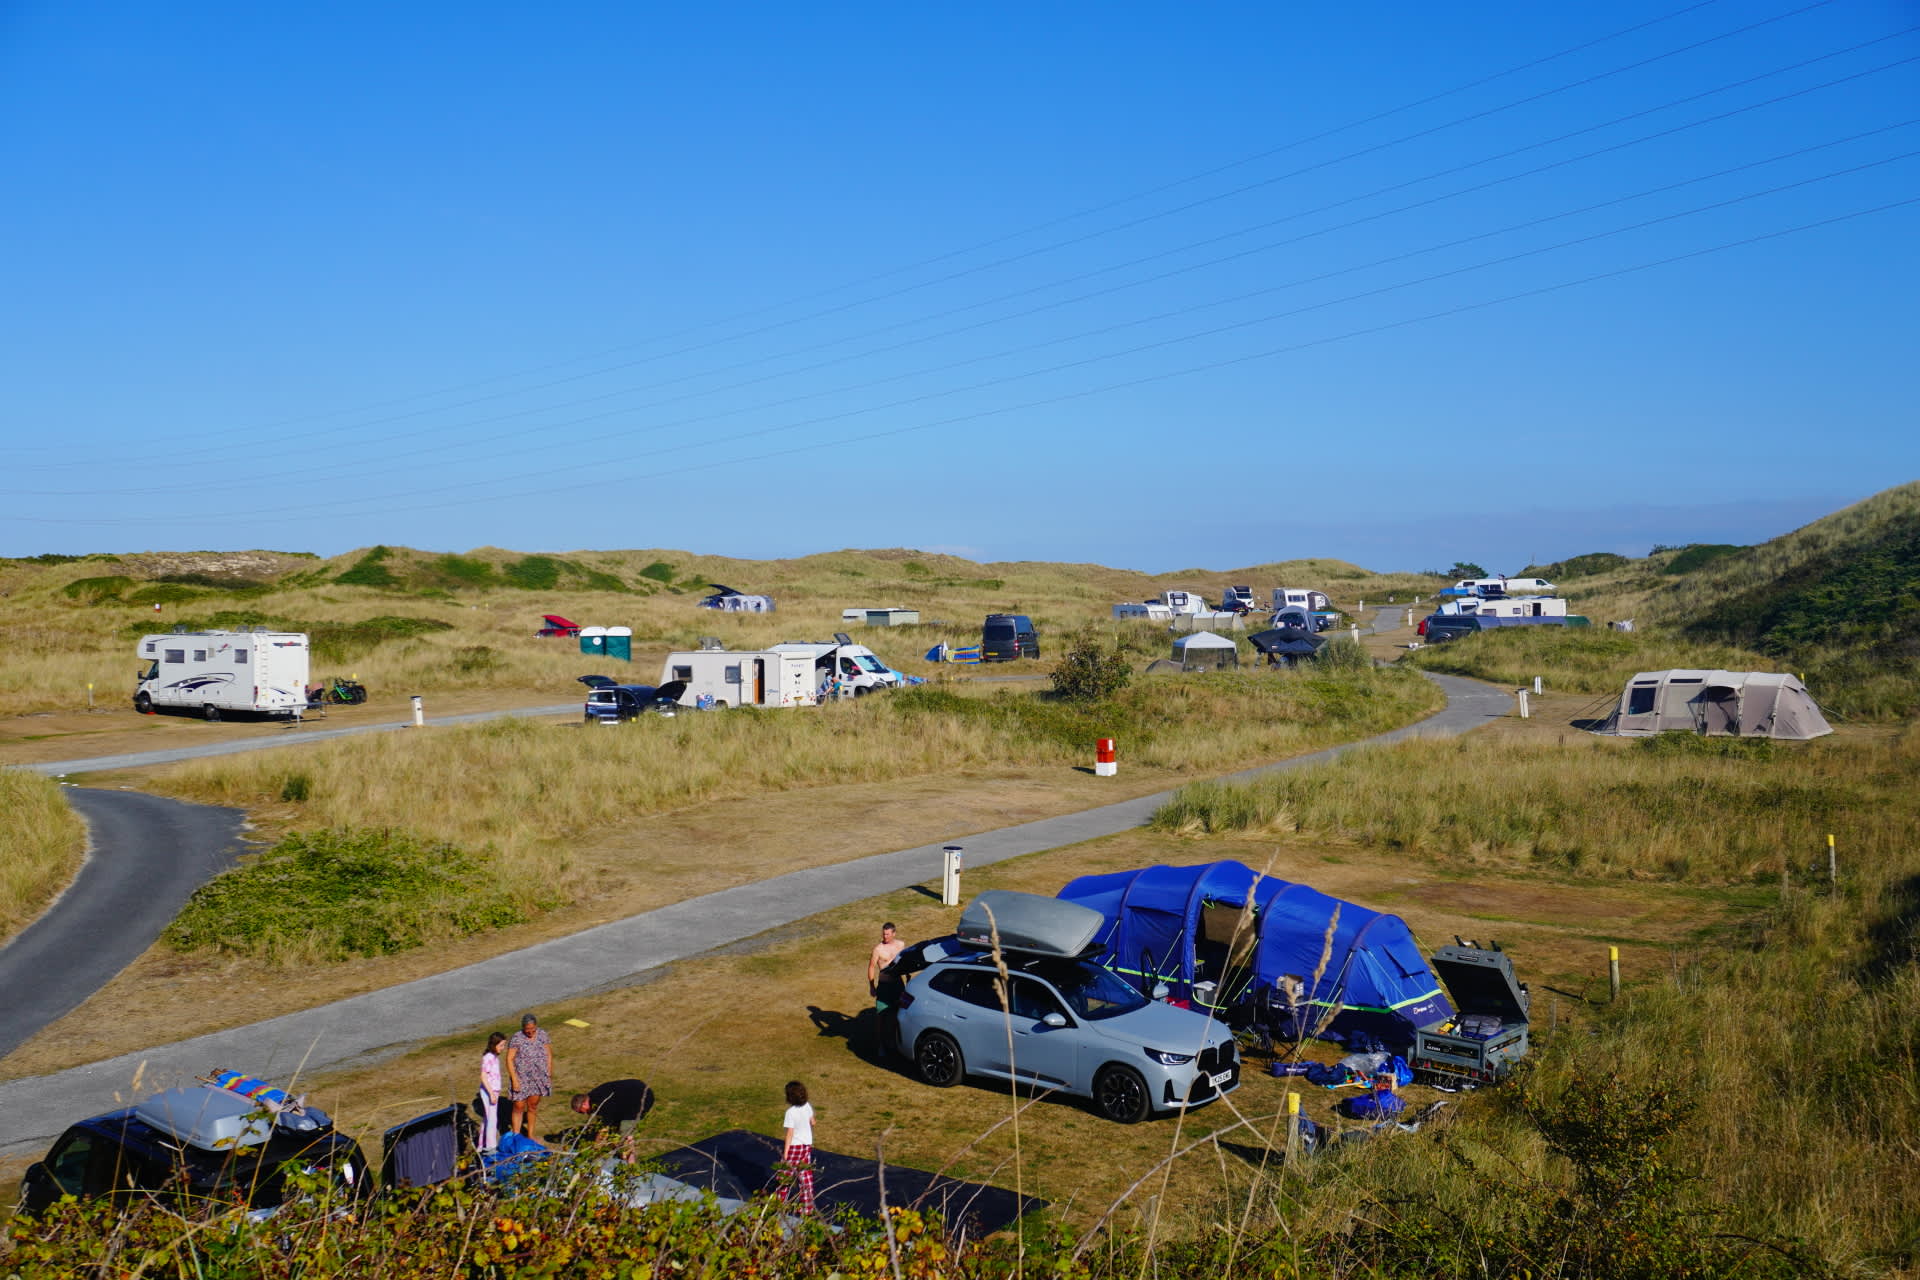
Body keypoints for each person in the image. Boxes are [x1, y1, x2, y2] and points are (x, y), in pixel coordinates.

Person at [569, 1079, 656, 1158]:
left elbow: (603, 1131)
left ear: (584, 1103)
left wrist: (594, 1150)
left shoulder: (599, 1104)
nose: (584, 1113)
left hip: (641, 1097)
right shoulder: (593, 1097)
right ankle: (617, 1153)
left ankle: (630, 1167)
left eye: (581, 1111)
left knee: (626, 1136)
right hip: (629, 1097)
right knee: (614, 1130)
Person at [504, 1014, 554, 1139]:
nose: (531, 1032)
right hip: (522, 1077)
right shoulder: (517, 1038)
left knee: (532, 1105)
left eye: (533, 1029)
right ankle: (516, 1135)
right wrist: (514, 1080)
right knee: (519, 1106)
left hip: (538, 1077)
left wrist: (548, 1072)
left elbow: (548, 1054)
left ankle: (531, 1135)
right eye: (528, 1030)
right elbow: (509, 1059)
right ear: (523, 1028)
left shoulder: (542, 1035)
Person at [868, 922, 907, 1054]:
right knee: (881, 1016)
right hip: (884, 986)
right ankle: (880, 1045)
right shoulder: (878, 949)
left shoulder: (901, 945)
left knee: (898, 1014)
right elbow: (872, 967)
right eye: (883, 933)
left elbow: (905, 962)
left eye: (887, 934)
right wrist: (872, 986)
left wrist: (907, 975)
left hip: (898, 984)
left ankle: (894, 1042)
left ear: (894, 934)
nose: (884, 936)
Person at [779, 1080, 816, 1215]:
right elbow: (813, 1122)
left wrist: (786, 1153)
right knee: (804, 1175)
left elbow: (790, 1133)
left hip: (795, 1146)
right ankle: (807, 1207)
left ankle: (779, 1202)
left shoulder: (790, 1112)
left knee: (785, 1174)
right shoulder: (807, 1106)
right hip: (806, 1145)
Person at [478, 1032, 506, 1153]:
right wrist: (491, 1094)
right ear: (494, 1045)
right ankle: (491, 1146)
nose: (503, 1048)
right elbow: (483, 1077)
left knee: (488, 1118)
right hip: (490, 1092)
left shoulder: (494, 1056)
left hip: (494, 1091)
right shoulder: (488, 1058)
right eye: (501, 1045)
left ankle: (482, 1144)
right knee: (492, 1119)